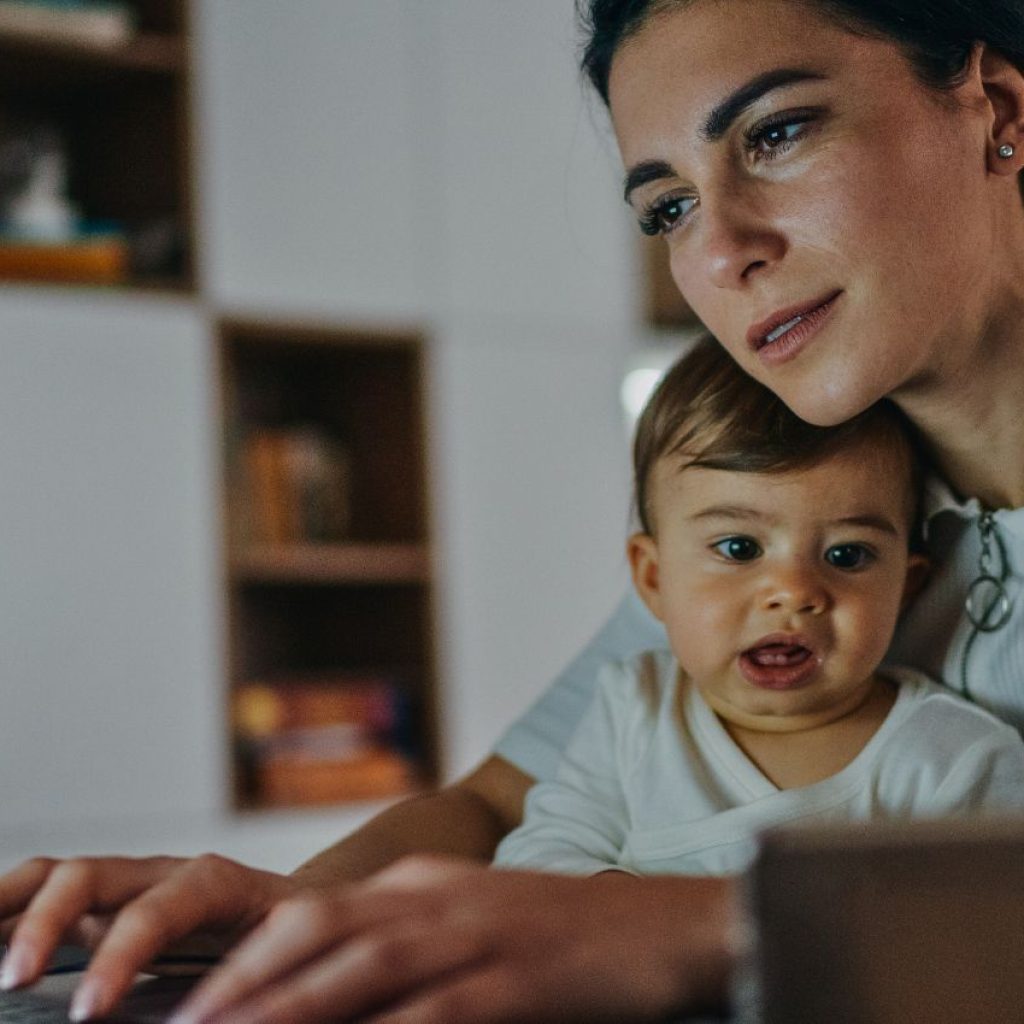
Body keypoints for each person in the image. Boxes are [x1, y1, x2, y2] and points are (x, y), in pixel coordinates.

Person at [3, 0, 1024, 1019]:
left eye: (777, 133)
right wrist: (299, 918)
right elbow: (501, 800)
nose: (720, 252)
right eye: (668, 208)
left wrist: (700, 926)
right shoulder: (795, 506)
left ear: (998, 109)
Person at [496, 337, 1024, 876]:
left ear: (906, 588)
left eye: (846, 555)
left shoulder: (955, 759)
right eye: (739, 548)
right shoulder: (634, 711)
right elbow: (538, 860)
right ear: (653, 578)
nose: (793, 591)